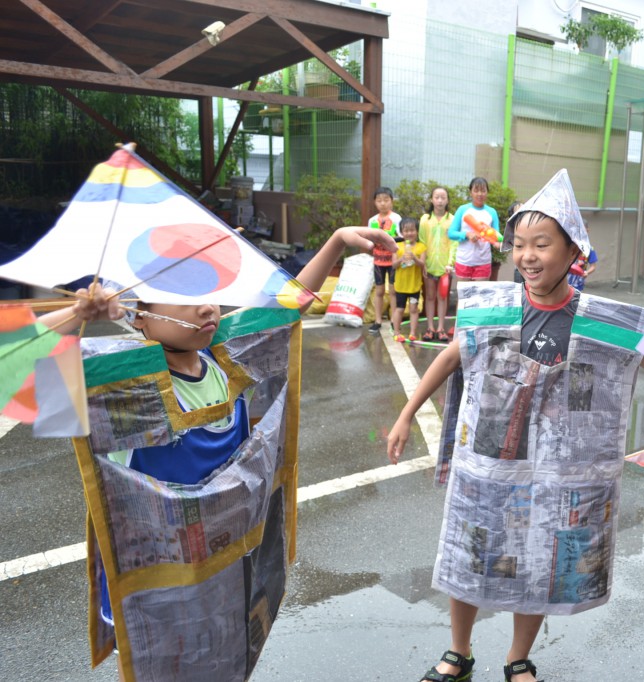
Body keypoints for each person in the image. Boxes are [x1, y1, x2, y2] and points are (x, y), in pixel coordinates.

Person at [389, 169, 644, 682]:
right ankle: (459, 652)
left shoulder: (598, 319)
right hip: (489, 464)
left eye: (541, 244)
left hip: (559, 473)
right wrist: (406, 415)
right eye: (518, 245)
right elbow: (450, 358)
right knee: (473, 551)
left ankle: (518, 659)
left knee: (541, 556)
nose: (528, 256)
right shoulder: (492, 309)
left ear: (573, 252)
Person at [44, 226, 397, 680]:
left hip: (225, 571)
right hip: (161, 587)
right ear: (137, 315)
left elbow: (287, 307)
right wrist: (76, 315)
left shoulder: (224, 356)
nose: (206, 305)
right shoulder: (120, 384)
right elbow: (20, 373)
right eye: (182, 293)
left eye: (209, 290)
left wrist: (335, 242)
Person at [420, 186, 456, 342]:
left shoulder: (452, 219)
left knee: (442, 297)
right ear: (431, 199)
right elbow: (422, 242)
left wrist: (450, 263)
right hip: (429, 265)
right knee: (429, 297)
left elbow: (454, 243)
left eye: (443, 197)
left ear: (447, 200)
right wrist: (423, 263)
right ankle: (430, 327)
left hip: (444, 267)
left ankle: (441, 327)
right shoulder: (425, 219)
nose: (440, 201)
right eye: (437, 197)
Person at [448, 176, 500, 283]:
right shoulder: (463, 210)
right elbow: (451, 233)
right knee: (464, 297)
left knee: (480, 297)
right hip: (464, 260)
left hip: (483, 261)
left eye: (483, 191)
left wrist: (497, 242)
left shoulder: (492, 212)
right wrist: (467, 235)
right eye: (476, 190)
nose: (479, 194)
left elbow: (496, 235)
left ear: (487, 192)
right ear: (470, 192)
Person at [368, 186, 402, 334]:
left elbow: (401, 237)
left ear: (392, 201)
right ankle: (378, 320)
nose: (383, 203)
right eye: (379, 200)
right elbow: (368, 237)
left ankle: (394, 320)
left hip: (392, 260)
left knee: (394, 290)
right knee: (379, 291)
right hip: (378, 261)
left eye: (386, 200)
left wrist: (386, 239)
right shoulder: (372, 220)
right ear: (375, 202)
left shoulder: (396, 218)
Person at [392, 217, 427, 342]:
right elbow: (394, 265)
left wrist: (414, 258)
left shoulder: (421, 247)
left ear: (417, 231)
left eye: (412, 230)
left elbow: (422, 264)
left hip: (414, 285)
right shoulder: (397, 246)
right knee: (400, 309)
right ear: (401, 232)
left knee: (413, 309)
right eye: (406, 231)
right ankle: (396, 332)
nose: (409, 233)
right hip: (401, 285)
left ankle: (412, 333)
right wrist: (401, 259)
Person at [566, 220, 598, 291]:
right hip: (564, 281)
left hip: (578, 283)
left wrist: (587, 272)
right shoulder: (568, 246)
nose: (580, 233)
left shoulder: (589, 249)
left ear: (587, 231)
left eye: (583, 230)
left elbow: (593, 266)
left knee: (575, 300)